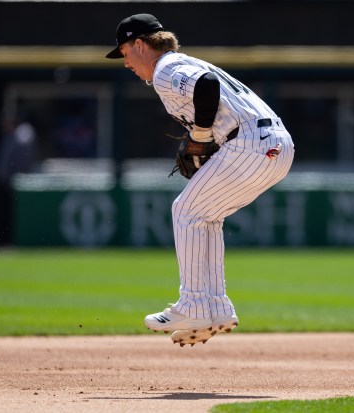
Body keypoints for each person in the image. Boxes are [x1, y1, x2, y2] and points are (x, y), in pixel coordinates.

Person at [107, 14, 294, 346]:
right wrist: (206, 136)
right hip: (273, 145)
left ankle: (193, 305)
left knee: (186, 211)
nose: (125, 63)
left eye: (124, 52)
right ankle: (216, 308)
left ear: (140, 45)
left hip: (251, 143)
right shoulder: (176, 64)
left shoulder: (165, 68)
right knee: (206, 216)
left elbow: (207, 84)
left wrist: (201, 133)